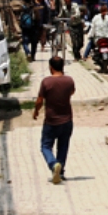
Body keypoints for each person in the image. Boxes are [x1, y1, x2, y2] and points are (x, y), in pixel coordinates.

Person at [32, 56, 75, 185]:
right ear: (62, 67)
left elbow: (40, 100)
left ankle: (53, 164)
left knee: (45, 146)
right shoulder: (69, 81)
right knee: (63, 146)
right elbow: (71, 93)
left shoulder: (46, 82)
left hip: (51, 121)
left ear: (51, 67)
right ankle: (60, 171)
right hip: (67, 120)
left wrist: (36, 111)